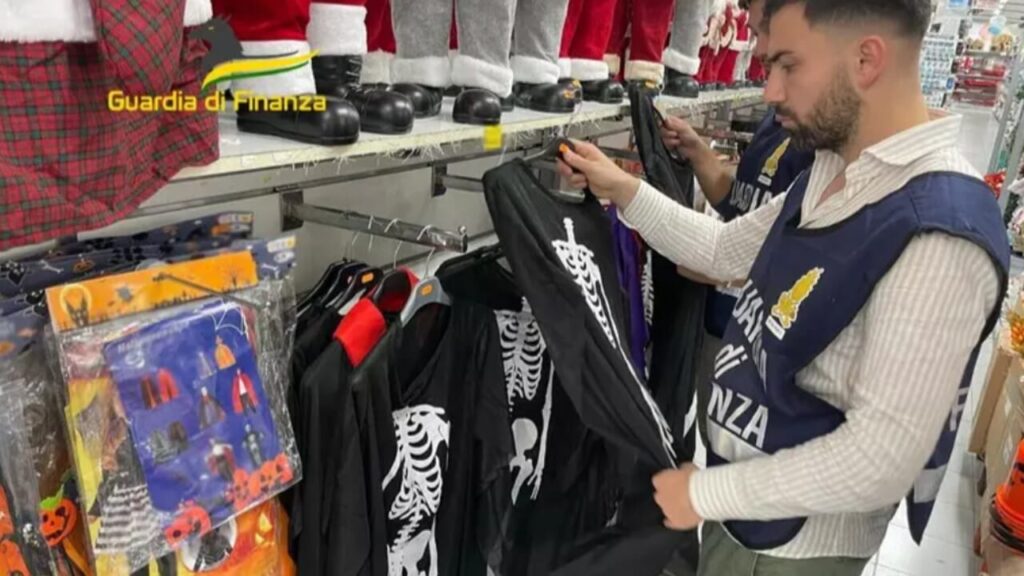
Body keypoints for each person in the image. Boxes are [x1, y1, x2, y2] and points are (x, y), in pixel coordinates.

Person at [558, 1, 1009, 574]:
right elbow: (723, 251)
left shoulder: (941, 229)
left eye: (789, 65)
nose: (770, 91)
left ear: (866, 60)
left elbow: (882, 458)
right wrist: (621, 187)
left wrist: (703, 494)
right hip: (746, 513)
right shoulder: (835, 171)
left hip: (794, 552)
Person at [662, 0, 814, 449]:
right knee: (711, 434)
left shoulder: (824, 142)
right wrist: (698, 153)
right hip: (719, 322)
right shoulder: (776, 117)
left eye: (763, 26)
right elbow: (739, 199)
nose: (754, 37)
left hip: (766, 344)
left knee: (738, 451)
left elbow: (811, 255)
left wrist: (721, 266)